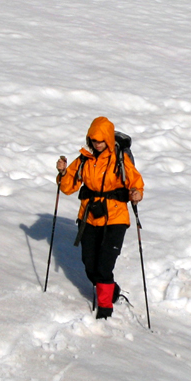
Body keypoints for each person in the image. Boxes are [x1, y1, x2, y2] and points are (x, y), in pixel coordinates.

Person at [56, 116, 144, 319]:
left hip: (116, 218)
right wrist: (62, 173)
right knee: (89, 264)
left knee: (104, 265)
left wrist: (137, 193)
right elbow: (68, 187)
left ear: (108, 139)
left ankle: (105, 308)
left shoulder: (119, 158)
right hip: (89, 217)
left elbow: (135, 181)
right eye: (93, 140)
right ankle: (111, 290)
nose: (97, 144)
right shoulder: (84, 159)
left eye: (101, 140)